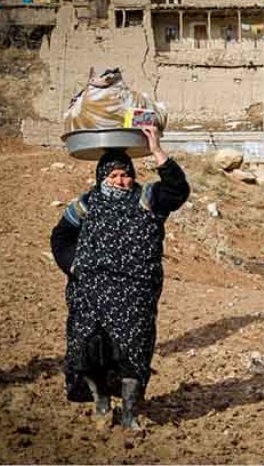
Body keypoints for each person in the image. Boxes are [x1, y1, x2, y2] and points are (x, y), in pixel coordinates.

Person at [51, 126, 190, 430]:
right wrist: (73, 265)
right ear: (101, 177)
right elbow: (60, 237)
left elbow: (178, 190)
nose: (120, 180)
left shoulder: (147, 199)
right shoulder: (86, 204)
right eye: (113, 175)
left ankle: (129, 413)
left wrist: (156, 150)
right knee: (89, 352)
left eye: (125, 174)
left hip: (135, 293)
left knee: (133, 353)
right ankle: (101, 400)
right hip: (90, 293)